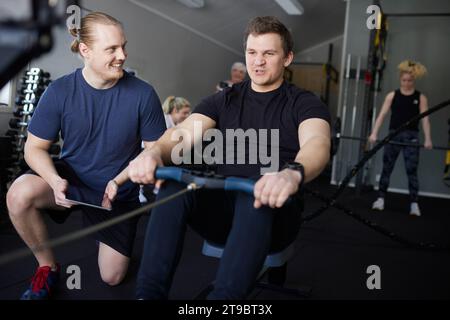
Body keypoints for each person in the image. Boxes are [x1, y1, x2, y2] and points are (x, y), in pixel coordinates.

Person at [129, 16, 331, 300]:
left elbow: (317, 142)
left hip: (275, 214)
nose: (257, 62)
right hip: (223, 214)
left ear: (287, 58)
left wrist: (291, 173)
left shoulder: (303, 103)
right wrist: (152, 153)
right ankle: (148, 296)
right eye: (252, 53)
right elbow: (183, 134)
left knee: (255, 192)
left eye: (269, 53)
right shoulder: (223, 100)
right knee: (174, 186)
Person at [6, 12, 166, 299]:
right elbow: (34, 148)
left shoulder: (143, 94)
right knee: (18, 194)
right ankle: (47, 267)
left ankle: (101, 230)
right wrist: (54, 180)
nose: (123, 56)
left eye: (123, 46)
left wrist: (122, 178)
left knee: (112, 278)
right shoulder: (59, 91)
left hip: (117, 191)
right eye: (112, 49)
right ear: (85, 50)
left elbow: (155, 151)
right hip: (72, 180)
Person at [369, 60, 432, 216]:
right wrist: (374, 133)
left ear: (414, 80)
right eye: (404, 80)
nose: (406, 83)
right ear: (400, 80)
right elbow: (382, 115)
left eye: (409, 80)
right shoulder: (392, 95)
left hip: (412, 137)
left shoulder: (421, 97)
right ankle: (380, 199)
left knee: (412, 170)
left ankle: (414, 204)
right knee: (387, 168)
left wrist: (428, 139)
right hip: (394, 135)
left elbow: (425, 119)